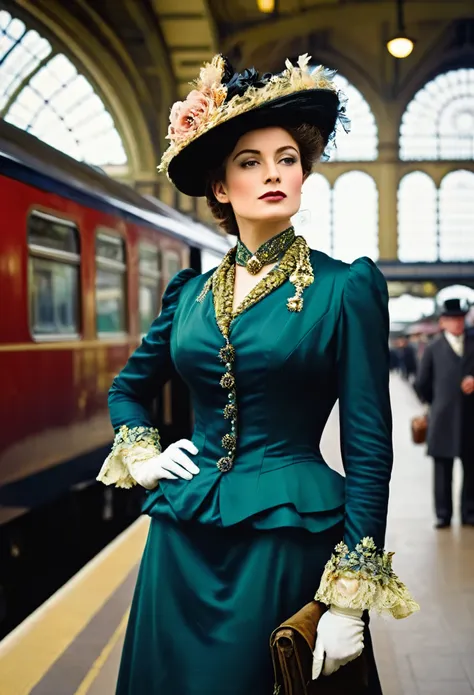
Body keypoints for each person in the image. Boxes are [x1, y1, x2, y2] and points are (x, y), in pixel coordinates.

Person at [97, 53, 418, 695]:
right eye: (250, 161)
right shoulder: (188, 294)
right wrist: (144, 454)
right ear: (221, 187)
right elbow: (128, 388)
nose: (273, 173)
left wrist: (349, 598)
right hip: (180, 542)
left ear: (302, 176)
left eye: (287, 159)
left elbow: (368, 447)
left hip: (286, 540)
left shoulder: (345, 287)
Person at [415, 298, 474, 529]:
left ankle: (469, 512)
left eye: (460, 318)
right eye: (452, 319)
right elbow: (422, 383)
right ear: (442, 322)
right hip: (443, 417)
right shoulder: (432, 348)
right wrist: (437, 402)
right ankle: (443, 514)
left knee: (472, 468)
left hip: (471, 418)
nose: (457, 323)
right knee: (442, 470)